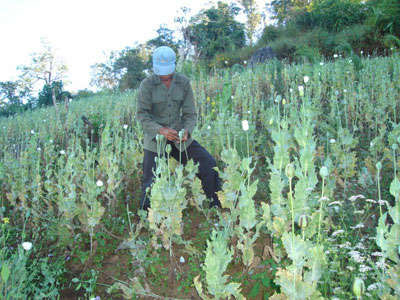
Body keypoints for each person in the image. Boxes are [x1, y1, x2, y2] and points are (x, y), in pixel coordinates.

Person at [136, 46, 221, 211]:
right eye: (161, 75)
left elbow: (190, 113)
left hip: (179, 136)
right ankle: (145, 220)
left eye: (168, 74)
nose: (165, 78)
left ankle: (215, 206)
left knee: (208, 164)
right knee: (150, 180)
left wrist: (186, 131)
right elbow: (142, 116)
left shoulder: (183, 82)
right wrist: (161, 130)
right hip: (155, 139)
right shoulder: (146, 85)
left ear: (174, 66)